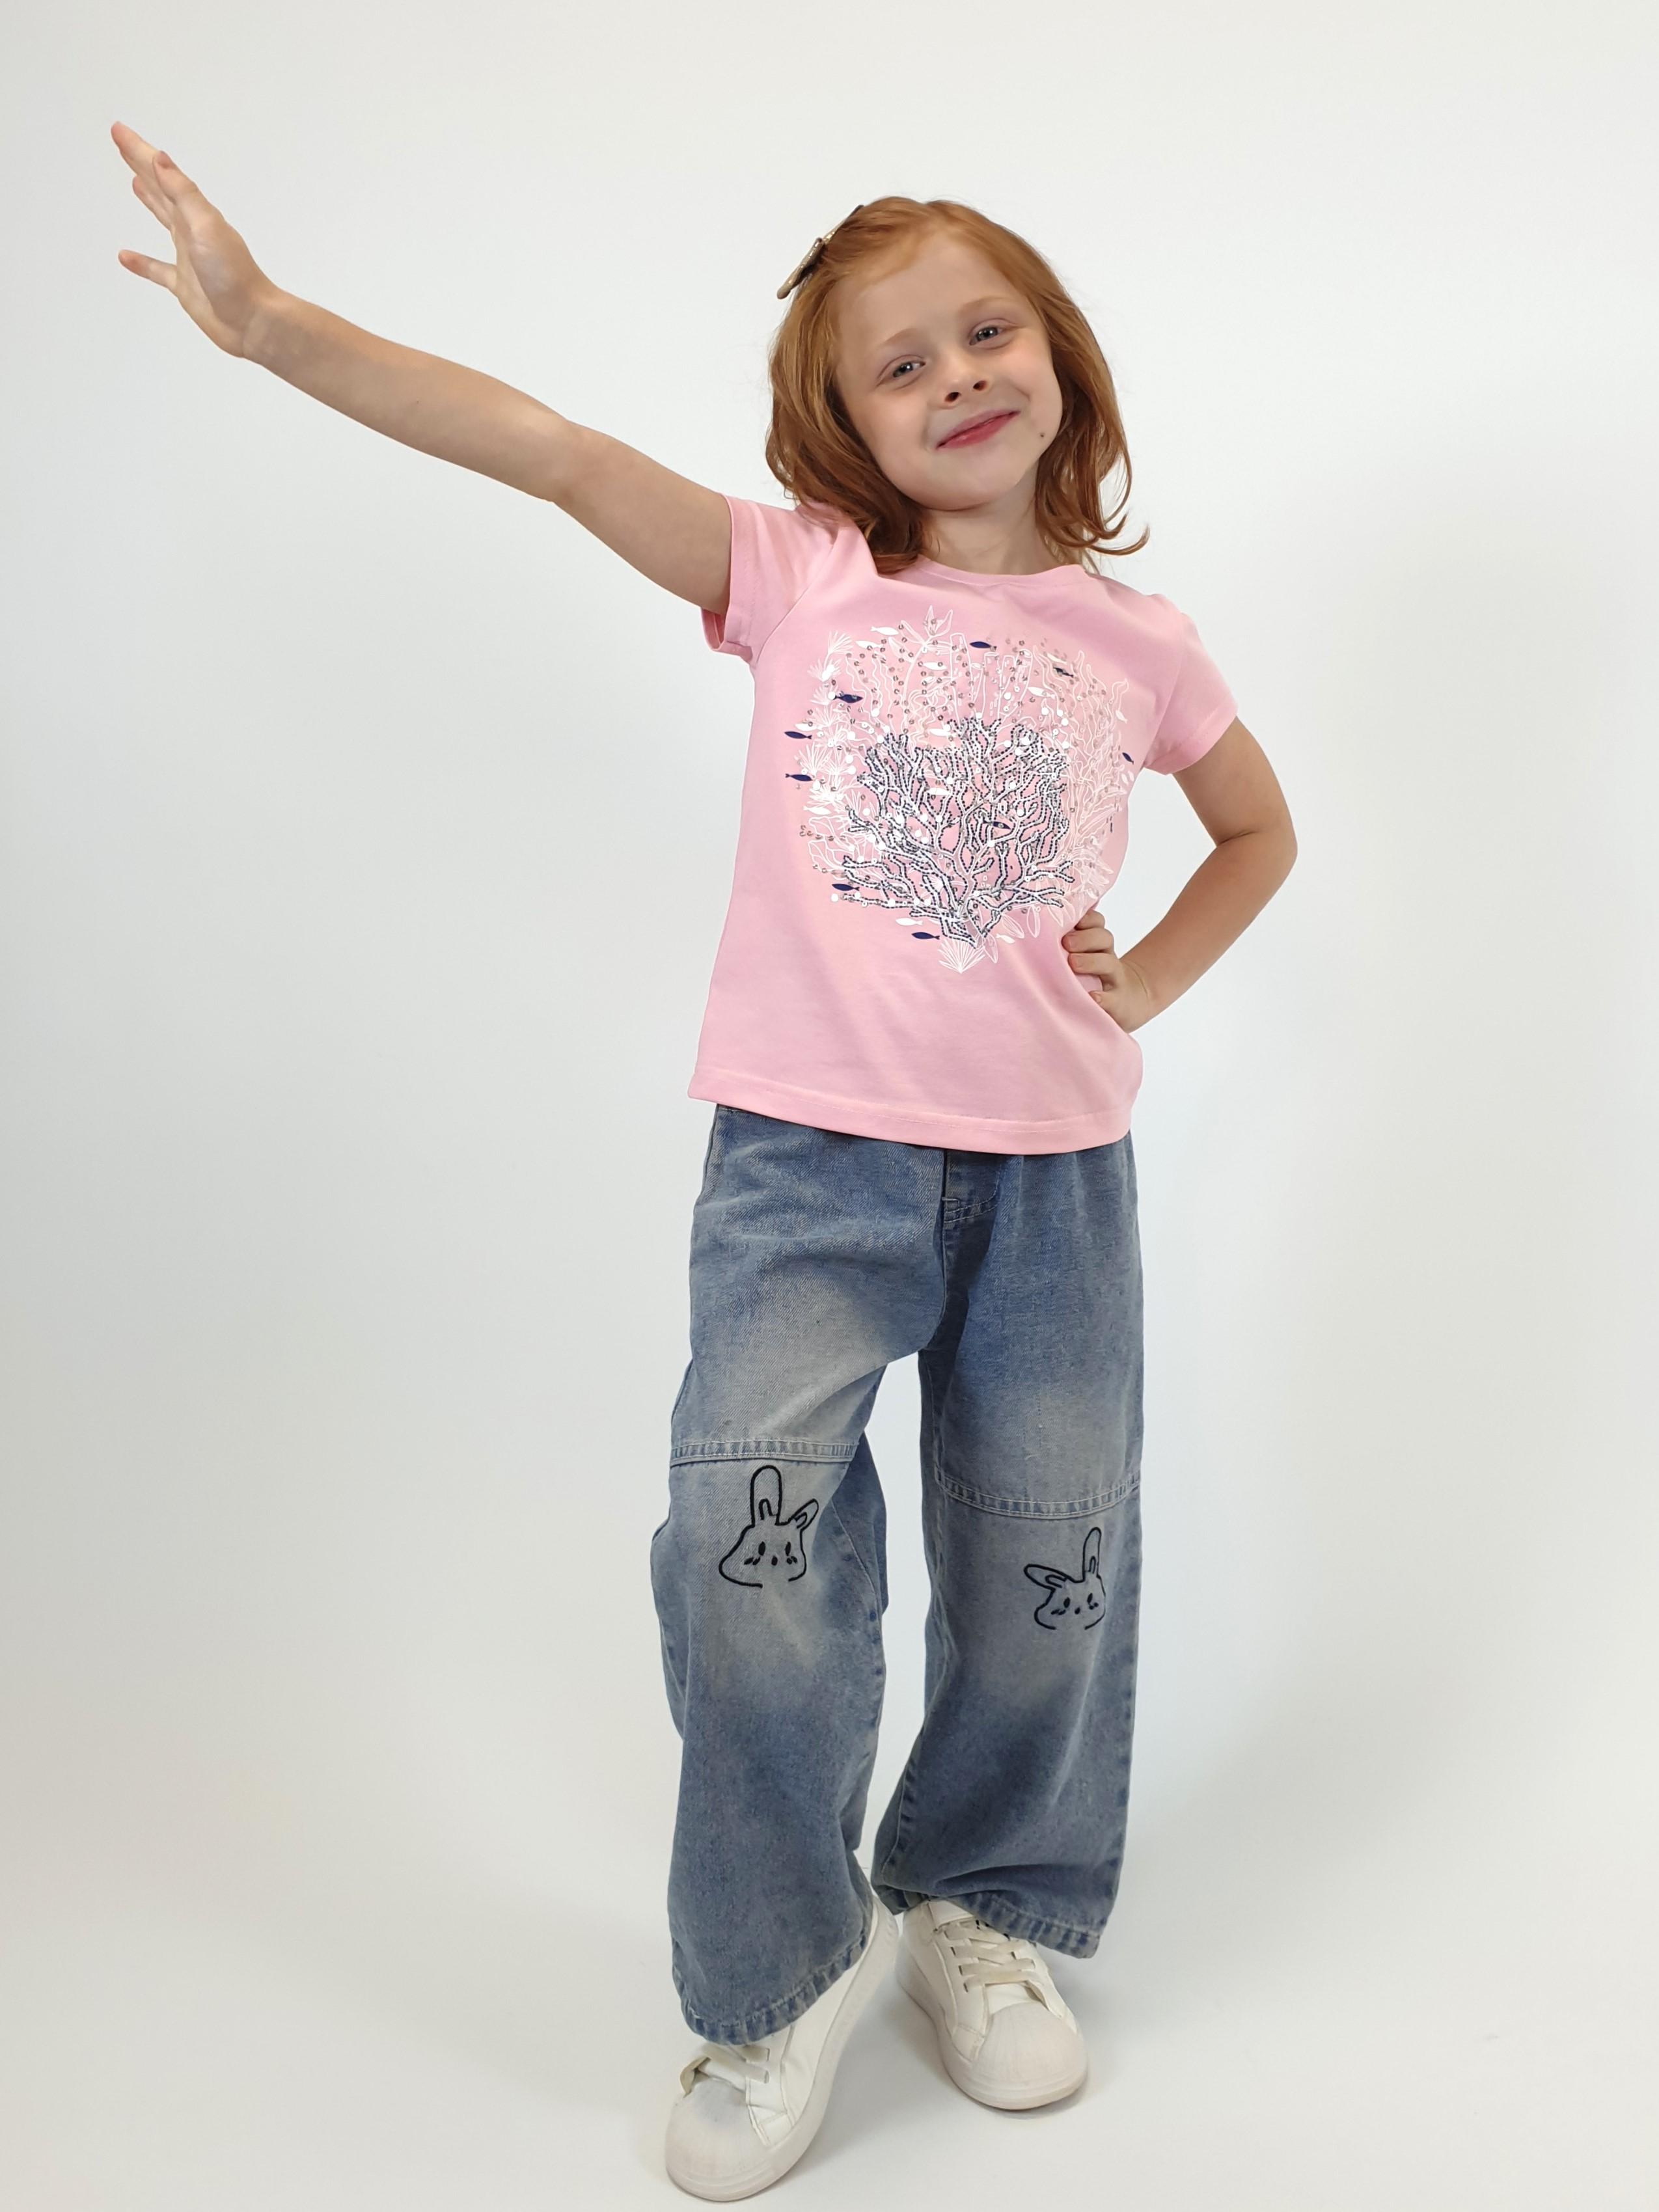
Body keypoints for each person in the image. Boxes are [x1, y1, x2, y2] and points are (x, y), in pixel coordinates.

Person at [111, 135, 1298, 2202]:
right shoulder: (805, 579)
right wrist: (278, 327)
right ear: (839, 429)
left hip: (1052, 1185)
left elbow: (1259, 831)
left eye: (986, 332)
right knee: (749, 1559)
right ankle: (780, 1970)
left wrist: (1152, 983)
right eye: (897, 367)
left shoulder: (1147, 642)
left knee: (1047, 1564)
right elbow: (556, 454)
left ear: (1060, 351)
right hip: (808, 1175)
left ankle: (979, 1901)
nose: (955, 378)